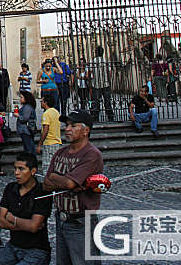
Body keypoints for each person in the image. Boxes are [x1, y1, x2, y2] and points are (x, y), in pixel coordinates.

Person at [44, 110, 104, 265]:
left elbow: (69, 183)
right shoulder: (60, 153)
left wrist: (58, 179)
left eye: (73, 125)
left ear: (86, 131)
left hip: (81, 221)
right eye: (67, 125)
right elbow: (46, 183)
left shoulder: (91, 155)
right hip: (61, 218)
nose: (67, 129)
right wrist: (65, 181)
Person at [0, 153, 52, 265]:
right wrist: (27, 225)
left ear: (33, 171)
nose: (16, 173)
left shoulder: (42, 192)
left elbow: (34, 226)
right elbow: (1, 222)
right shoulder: (11, 188)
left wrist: (12, 218)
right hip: (13, 246)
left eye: (21, 169)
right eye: (15, 168)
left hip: (37, 250)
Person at [35, 95, 61, 178]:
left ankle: (48, 184)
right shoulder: (56, 112)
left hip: (49, 142)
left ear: (45, 103)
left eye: (41, 101)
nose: (41, 103)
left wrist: (39, 144)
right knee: (55, 166)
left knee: (47, 165)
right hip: (57, 142)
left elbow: (45, 129)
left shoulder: (46, 114)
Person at [90, 47, 115, 121]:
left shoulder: (92, 62)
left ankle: (95, 117)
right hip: (105, 84)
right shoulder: (106, 61)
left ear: (96, 52)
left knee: (96, 101)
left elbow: (89, 73)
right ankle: (110, 116)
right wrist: (108, 80)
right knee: (107, 101)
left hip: (95, 84)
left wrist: (91, 81)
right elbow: (109, 73)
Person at [14, 91, 37, 157]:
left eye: (21, 97)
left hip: (26, 130)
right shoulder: (26, 107)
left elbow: (25, 118)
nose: (20, 99)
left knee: (29, 148)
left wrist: (18, 115)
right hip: (26, 131)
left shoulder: (27, 107)